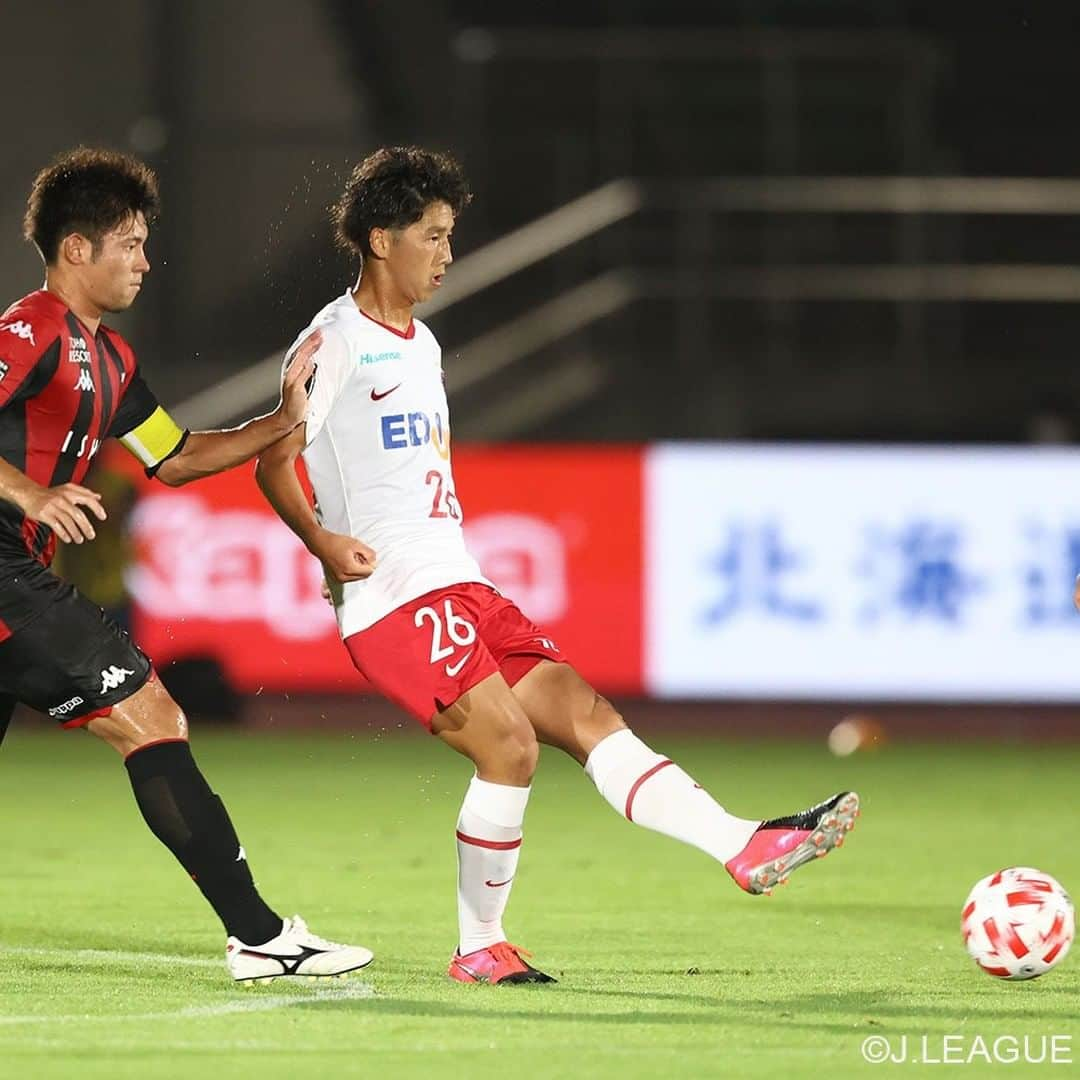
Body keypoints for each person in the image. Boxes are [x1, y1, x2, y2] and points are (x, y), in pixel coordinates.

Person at [256, 146, 860, 985]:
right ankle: (479, 946)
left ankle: (740, 843)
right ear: (381, 238)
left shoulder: (421, 344)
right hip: (391, 597)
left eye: (450, 235)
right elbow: (273, 459)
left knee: (587, 716)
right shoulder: (335, 343)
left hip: (461, 582)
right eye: (432, 236)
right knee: (507, 747)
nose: (446, 253)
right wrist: (323, 544)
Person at [0, 147, 372, 985]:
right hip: (4, 567)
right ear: (74, 251)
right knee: (153, 718)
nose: (144, 260)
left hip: (15, 568)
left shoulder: (114, 362)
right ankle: (261, 936)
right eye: (128, 243)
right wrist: (28, 492)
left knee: (149, 723)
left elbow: (175, 457)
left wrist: (282, 419)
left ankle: (260, 937)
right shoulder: (29, 332)